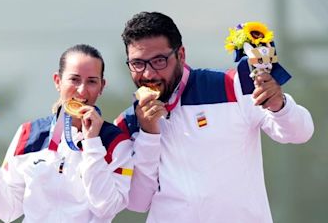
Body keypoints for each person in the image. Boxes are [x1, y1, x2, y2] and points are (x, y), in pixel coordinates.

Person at [114, 12, 314, 223]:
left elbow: (300, 132)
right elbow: (138, 202)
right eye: (137, 64)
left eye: (159, 61)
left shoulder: (231, 86)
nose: (148, 74)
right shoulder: (130, 122)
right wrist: (148, 135)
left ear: (181, 55)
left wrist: (279, 105)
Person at [0, 44, 133, 222]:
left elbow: (106, 208)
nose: (82, 90)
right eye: (74, 79)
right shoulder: (28, 134)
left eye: (92, 81)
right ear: (57, 81)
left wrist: (92, 144)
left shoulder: (117, 142)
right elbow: (8, 210)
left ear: (102, 86)